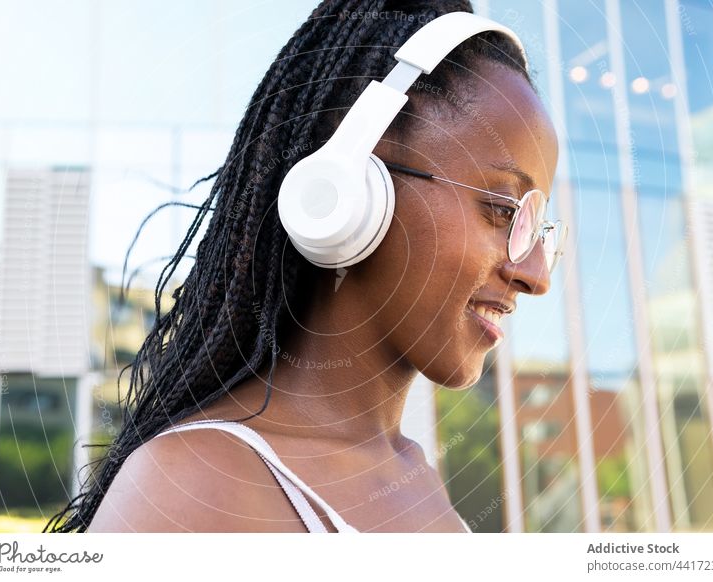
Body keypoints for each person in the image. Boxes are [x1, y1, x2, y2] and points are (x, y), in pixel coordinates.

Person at [44, 0, 560, 533]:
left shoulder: (416, 476)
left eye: (539, 228)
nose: (538, 274)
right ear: (348, 189)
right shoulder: (194, 486)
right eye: (504, 211)